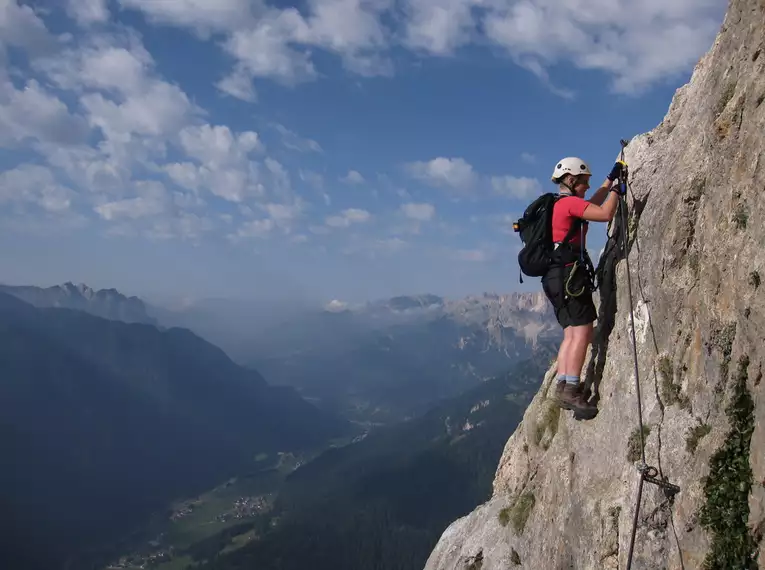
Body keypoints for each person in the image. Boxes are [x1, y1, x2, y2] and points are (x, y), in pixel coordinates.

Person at [542, 157, 625, 417]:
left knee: (570, 333)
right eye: (584, 182)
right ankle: (573, 390)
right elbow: (605, 213)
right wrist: (617, 190)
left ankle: (564, 383)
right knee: (581, 332)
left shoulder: (561, 205)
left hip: (554, 277)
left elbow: (592, 204)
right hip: (570, 276)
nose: (588, 187)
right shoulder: (568, 205)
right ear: (570, 180)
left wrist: (611, 178)